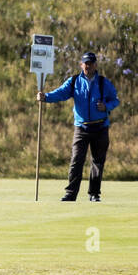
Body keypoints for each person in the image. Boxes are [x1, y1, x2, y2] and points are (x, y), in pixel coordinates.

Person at [37, 51, 120, 202]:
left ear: (95, 65)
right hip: (81, 128)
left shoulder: (103, 82)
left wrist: (106, 106)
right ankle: (71, 194)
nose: (88, 66)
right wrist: (46, 97)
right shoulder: (74, 81)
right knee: (76, 161)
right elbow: (61, 93)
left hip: (100, 127)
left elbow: (115, 100)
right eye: (85, 63)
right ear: (81, 65)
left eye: (91, 63)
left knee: (97, 162)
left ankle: (94, 194)